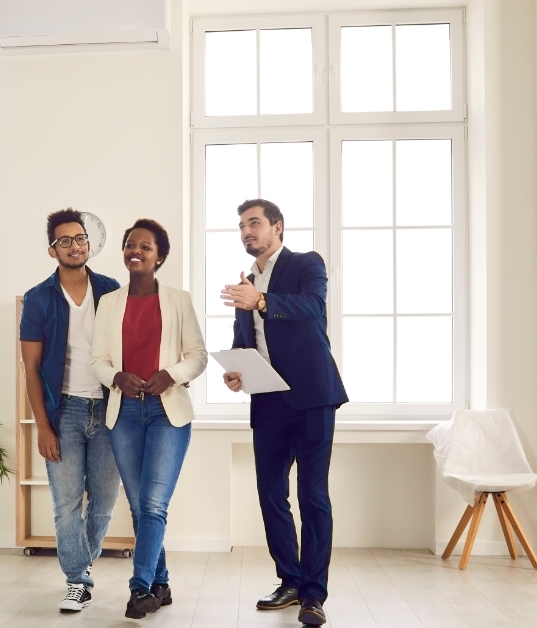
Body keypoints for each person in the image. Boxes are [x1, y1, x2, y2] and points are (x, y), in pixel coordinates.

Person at [220, 199, 348, 627]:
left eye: (254, 223)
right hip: (268, 401)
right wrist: (236, 370)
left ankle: (313, 595)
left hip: (313, 398)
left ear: (277, 227)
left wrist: (260, 300)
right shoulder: (246, 284)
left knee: (313, 496)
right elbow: (245, 340)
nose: (247, 231)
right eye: (242, 226)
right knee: (271, 495)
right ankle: (290, 581)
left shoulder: (306, 263)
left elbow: (312, 307)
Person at [91, 219, 207, 620]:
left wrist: (171, 374)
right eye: (130, 244)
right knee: (141, 507)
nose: (135, 251)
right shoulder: (109, 303)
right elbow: (98, 360)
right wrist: (116, 377)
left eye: (145, 246)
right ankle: (161, 583)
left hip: (166, 412)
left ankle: (139, 588)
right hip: (124, 412)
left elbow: (198, 356)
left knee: (154, 503)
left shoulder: (178, 300)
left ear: (160, 257)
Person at [19, 209, 122, 612]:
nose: (75, 246)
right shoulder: (38, 298)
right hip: (65, 413)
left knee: (104, 502)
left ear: (88, 244)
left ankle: (82, 563)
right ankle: (77, 580)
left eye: (80, 239)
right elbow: (30, 368)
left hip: (111, 409)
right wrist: (43, 426)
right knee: (65, 505)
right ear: (53, 250)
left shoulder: (111, 290)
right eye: (65, 241)